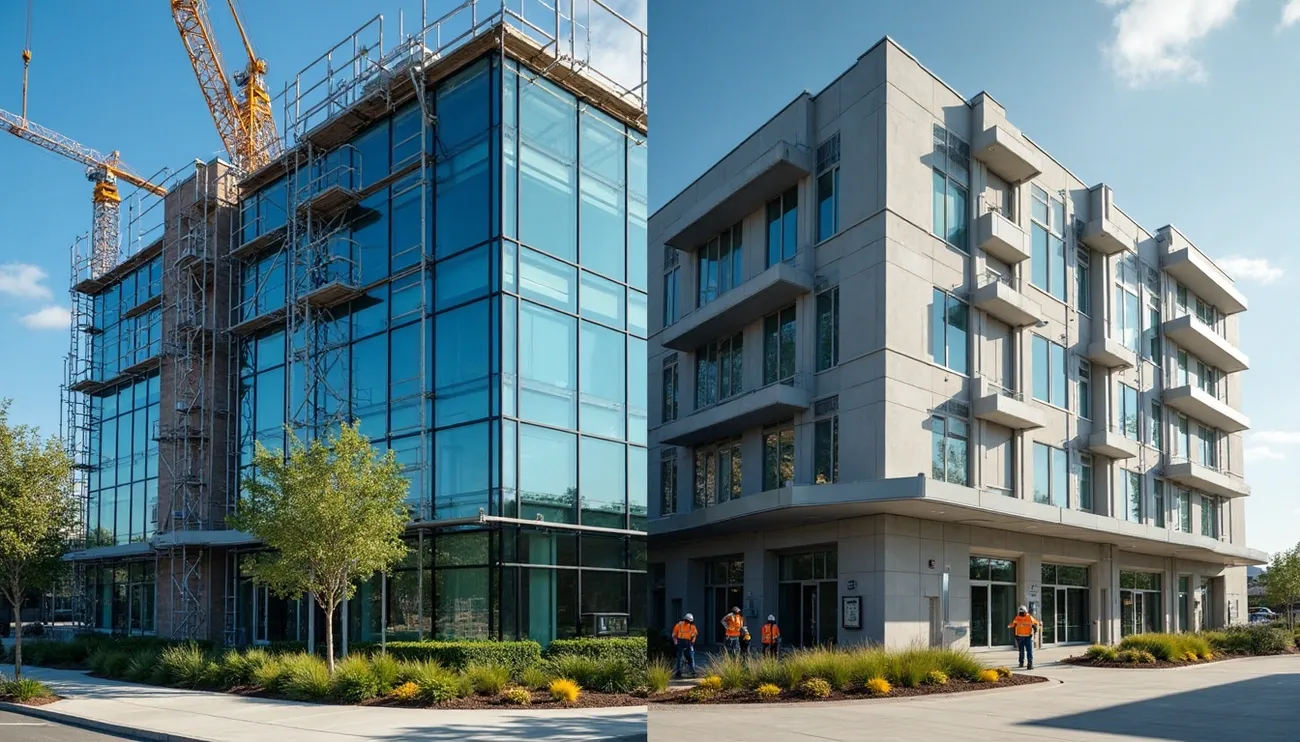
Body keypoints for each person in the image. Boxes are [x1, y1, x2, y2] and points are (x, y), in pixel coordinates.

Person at [1008, 605, 1040, 670]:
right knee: (1028, 651)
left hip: (1022, 637)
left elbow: (1013, 625)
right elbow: (1035, 623)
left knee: (1023, 651)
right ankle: (1029, 664)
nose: (1021, 613)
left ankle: (1022, 663)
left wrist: (1009, 626)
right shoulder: (1028, 617)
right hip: (1026, 637)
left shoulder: (1018, 617)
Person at [671, 613, 699, 678]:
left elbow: (674, 635)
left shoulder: (679, 625)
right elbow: (694, 635)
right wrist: (692, 642)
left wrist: (675, 643)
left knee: (681, 657)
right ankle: (691, 671)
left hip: (683, 643)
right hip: (686, 643)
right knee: (689, 657)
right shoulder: (691, 626)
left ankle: (680, 671)